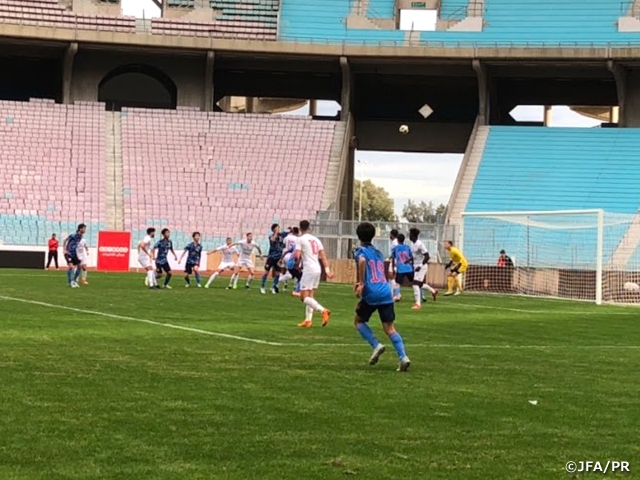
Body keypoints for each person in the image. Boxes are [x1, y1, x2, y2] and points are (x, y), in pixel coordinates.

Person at [354, 222, 411, 372]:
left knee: (358, 321)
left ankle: (376, 345)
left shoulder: (359, 250)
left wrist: (361, 283)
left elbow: (362, 261)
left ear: (358, 236)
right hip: (386, 291)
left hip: (372, 292)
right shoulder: (378, 252)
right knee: (390, 328)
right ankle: (403, 357)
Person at [295, 220, 332, 328]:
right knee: (310, 295)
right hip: (317, 268)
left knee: (303, 297)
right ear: (309, 228)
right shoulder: (316, 240)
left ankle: (323, 310)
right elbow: (323, 256)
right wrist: (327, 271)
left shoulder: (300, 239)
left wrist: (294, 262)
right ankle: (308, 320)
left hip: (309, 269)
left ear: (300, 228)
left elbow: (297, 256)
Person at [409, 228, 438, 310]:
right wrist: (408, 261)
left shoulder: (420, 244)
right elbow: (415, 256)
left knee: (415, 284)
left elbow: (427, 256)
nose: (409, 236)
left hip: (422, 267)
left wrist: (420, 265)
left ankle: (418, 304)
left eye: (410, 234)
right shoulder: (412, 244)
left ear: (413, 235)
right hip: (416, 267)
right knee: (420, 284)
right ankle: (434, 291)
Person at [261, 224, 287, 295]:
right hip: (271, 257)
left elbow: (289, 233)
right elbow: (272, 240)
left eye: (279, 227)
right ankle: (262, 286)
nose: (279, 228)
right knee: (266, 272)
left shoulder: (282, 235)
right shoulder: (271, 236)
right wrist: (276, 233)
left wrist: (291, 230)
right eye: (277, 227)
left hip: (279, 258)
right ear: (274, 229)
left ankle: (273, 287)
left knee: (277, 273)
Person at [391, 233, 413, 302]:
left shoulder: (395, 248)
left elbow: (393, 258)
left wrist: (393, 268)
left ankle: (397, 296)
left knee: (397, 283)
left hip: (400, 268)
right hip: (409, 268)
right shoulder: (408, 247)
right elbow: (412, 257)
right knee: (416, 282)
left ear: (397, 240)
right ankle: (422, 295)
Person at [279, 227, 301, 295]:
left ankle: (284, 284)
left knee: (283, 270)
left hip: (285, 254)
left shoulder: (287, 237)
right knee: (295, 272)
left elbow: (283, 245)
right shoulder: (298, 239)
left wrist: (281, 258)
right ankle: (295, 287)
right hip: (292, 256)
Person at [388, 229, 400, 299]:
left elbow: (397, 252)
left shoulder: (395, 242)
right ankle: (392, 293)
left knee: (391, 277)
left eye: (390, 234)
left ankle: (397, 294)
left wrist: (393, 260)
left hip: (394, 261)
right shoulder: (396, 241)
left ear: (392, 235)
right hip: (394, 260)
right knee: (391, 278)